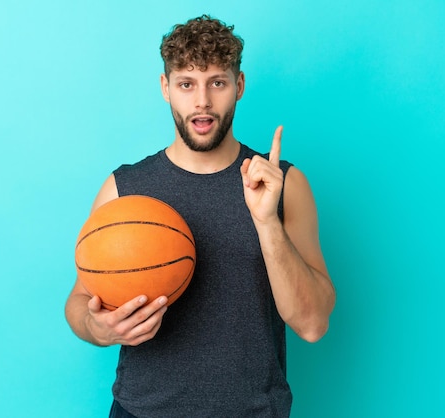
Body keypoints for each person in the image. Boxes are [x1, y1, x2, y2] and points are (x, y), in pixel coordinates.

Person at [65, 15, 336, 418]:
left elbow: (312, 324)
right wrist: (98, 330)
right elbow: (79, 302)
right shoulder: (123, 189)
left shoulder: (284, 185)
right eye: (187, 84)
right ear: (166, 88)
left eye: (217, 83)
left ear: (238, 86)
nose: (202, 102)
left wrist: (266, 223)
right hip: (141, 412)